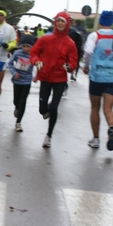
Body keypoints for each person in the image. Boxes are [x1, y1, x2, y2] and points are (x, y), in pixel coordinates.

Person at [30, 11, 78, 148]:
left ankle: (48, 136)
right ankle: (47, 109)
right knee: (42, 109)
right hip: (45, 77)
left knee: (55, 108)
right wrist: (36, 61)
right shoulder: (45, 39)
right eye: (58, 21)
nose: (60, 23)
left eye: (63, 21)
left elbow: (73, 62)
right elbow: (34, 53)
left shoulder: (70, 43)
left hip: (59, 79)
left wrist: (68, 66)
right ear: (55, 22)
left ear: (67, 23)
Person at [83, 10, 113, 150]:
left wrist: (86, 66)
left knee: (95, 108)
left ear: (101, 21)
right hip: (111, 77)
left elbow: (88, 52)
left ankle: (95, 139)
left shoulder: (94, 35)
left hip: (96, 77)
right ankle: (112, 128)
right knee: (108, 109)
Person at [7, 34, 35, 132]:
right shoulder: (17, 53)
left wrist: (39, 76)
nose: (25, 48)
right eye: (23, 46)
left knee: (23, 101)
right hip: (17, 80)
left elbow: (40, 64)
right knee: (16, 101)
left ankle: (18, 123)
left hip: (26, 81)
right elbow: (10, 63)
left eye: (28, 46)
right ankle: (16, 107)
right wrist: (14, 72)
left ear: (32, 46)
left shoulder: (34, 55)